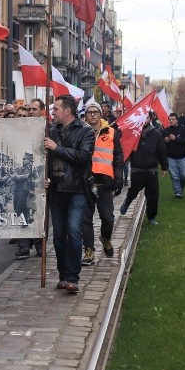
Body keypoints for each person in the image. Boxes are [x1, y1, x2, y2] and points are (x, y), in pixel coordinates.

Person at [43, 95, 94, 293]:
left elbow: (83, 157)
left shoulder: (85, 131)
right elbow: (44, 156)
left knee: (73, 231)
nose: (52, 112)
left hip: (76, 190)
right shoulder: (51, 131)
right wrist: (46, 176)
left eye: (55, 109)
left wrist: (58, 148)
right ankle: (63, 274)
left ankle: (73, 276)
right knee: (58, 236)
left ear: (67, 111)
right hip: (56, 189)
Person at [80, 101, 123, 265]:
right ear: (85, 115)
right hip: (85, 181)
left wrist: (118, 179)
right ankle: (89, 250)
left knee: (108, 218)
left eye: (95, 112)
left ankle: (105, 238)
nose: (92, 114)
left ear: (100, 114)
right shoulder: (81, 132)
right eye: (89, 112)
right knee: (86, 219)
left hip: (105, 182)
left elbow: (118, 158)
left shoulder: (112, 133)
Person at [119, 111, 168, 224]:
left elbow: (162, 151)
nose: (144, 120)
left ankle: (151, 217)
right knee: (133, 191)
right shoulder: (134, 133)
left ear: (150, 118)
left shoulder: (157, 134)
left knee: (153, 195)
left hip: (152, 170)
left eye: (147, 118)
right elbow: (127, 149)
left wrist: (164, 167)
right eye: (143, 118)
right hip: (137, 169)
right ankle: (127, 201)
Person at [163, 113, 185, 198]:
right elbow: (161, 144)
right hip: (170, 157)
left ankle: (180, 187)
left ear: (177, 120)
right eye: (170, 119)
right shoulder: (166, 130)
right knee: (174, 177)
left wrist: (175, 139)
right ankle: (178, 192)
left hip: (182, 157)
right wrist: (165, 141)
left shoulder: (183, 129)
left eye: (173, 119)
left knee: (184, 175)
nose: (171, 121)